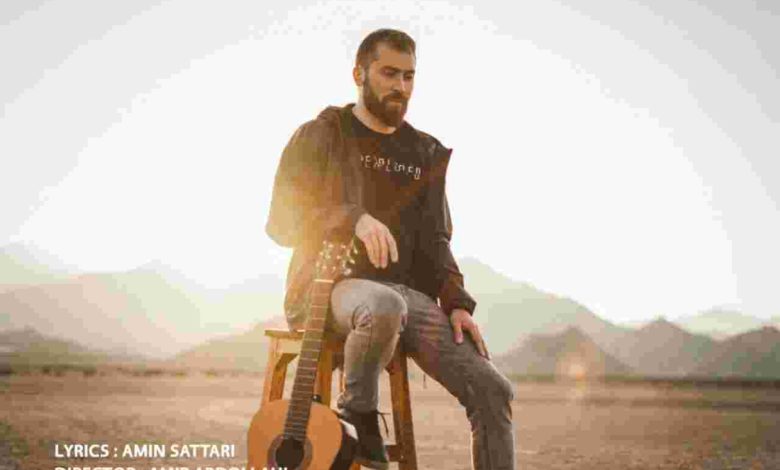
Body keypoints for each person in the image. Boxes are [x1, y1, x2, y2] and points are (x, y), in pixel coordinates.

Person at [266, 28, 516, 470]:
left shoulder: (424, 152)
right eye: (388, 73)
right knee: (382, 304)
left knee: (494, 390)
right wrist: (352, 218)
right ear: (359, 74)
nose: (400, 85)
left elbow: (437, 240)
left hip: (405, 297)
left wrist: (456, 302)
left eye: (408, 76)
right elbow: (281, 223)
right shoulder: (321, 135)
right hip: (328, 287)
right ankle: (356, 416)